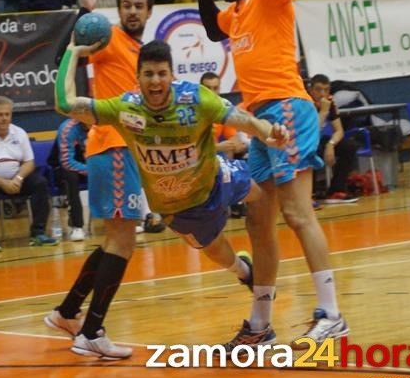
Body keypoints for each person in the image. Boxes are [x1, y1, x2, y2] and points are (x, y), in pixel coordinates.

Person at [52, 39, 289, 358]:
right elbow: (64, 104)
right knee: (218, 251)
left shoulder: (195, 99)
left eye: (162, 73)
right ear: (138, 77)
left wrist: (267, 132)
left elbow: (240, 120)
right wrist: (74, 51)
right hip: (182, 209)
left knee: (260, 198)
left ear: (172, 75)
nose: (155, 81)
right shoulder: (125, 109)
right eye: (148, 74)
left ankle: (261, 311)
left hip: (216, 176)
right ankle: (244, 272)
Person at [197, 0, 348, 352]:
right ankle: (260, 324)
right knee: (259, 221)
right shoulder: (236, 12)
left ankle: (331, 314)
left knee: (298, 213)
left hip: (286, 108)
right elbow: (212, 30)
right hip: (259, 119)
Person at [43, 0, 154, 357]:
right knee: (123, 241)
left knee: (113, 241)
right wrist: (84, 11)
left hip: (125, 150)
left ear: (149, 11)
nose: (133, 11)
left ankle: (68, 312)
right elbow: (66, 54)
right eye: (127, 5)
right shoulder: (110, 38)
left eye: (140, 5)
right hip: (114, 146)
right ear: (119, 10)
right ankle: (92, 332)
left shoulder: (143, 52)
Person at [0, 95, 57, 252]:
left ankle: (38, 233)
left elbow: (29, 162)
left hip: (15, 177)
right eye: (0, 115)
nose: (4, 119)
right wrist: (2, 183)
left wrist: (18, 179)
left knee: (40, 183)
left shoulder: (19, 133)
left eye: (7, 115)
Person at [309, 74, 359, 203]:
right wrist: (323, 112)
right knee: (311, 150)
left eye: (326, 90)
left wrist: (331, 144)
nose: (323, 94)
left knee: (348, 147)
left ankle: (336, 190)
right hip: (305, 141)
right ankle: (310, 194)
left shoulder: (330, 102)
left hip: (321, 140)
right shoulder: (306, 103)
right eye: (319, 90)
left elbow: (339, 131)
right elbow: (312, 132)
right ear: (311, 90)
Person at [54, 118, 88, 242]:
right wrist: (92, 169)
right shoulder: (68, 129)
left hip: (91, 164)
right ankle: (77, 226)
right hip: (65, 167)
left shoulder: (103, 125)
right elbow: (66, 161)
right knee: (70, 177)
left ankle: (127, 219)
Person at [200, 72, 247, 159]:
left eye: (215, 88)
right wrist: (218, 147)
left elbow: (233, 137)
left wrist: (234, 144)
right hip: (198, 160)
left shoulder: (224, 107)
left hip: (218, 158)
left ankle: (228, 170)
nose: (212, 92)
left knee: (229, 148)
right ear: (200, 89)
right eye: (208, 88)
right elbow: (192, 149)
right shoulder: (193, 109)